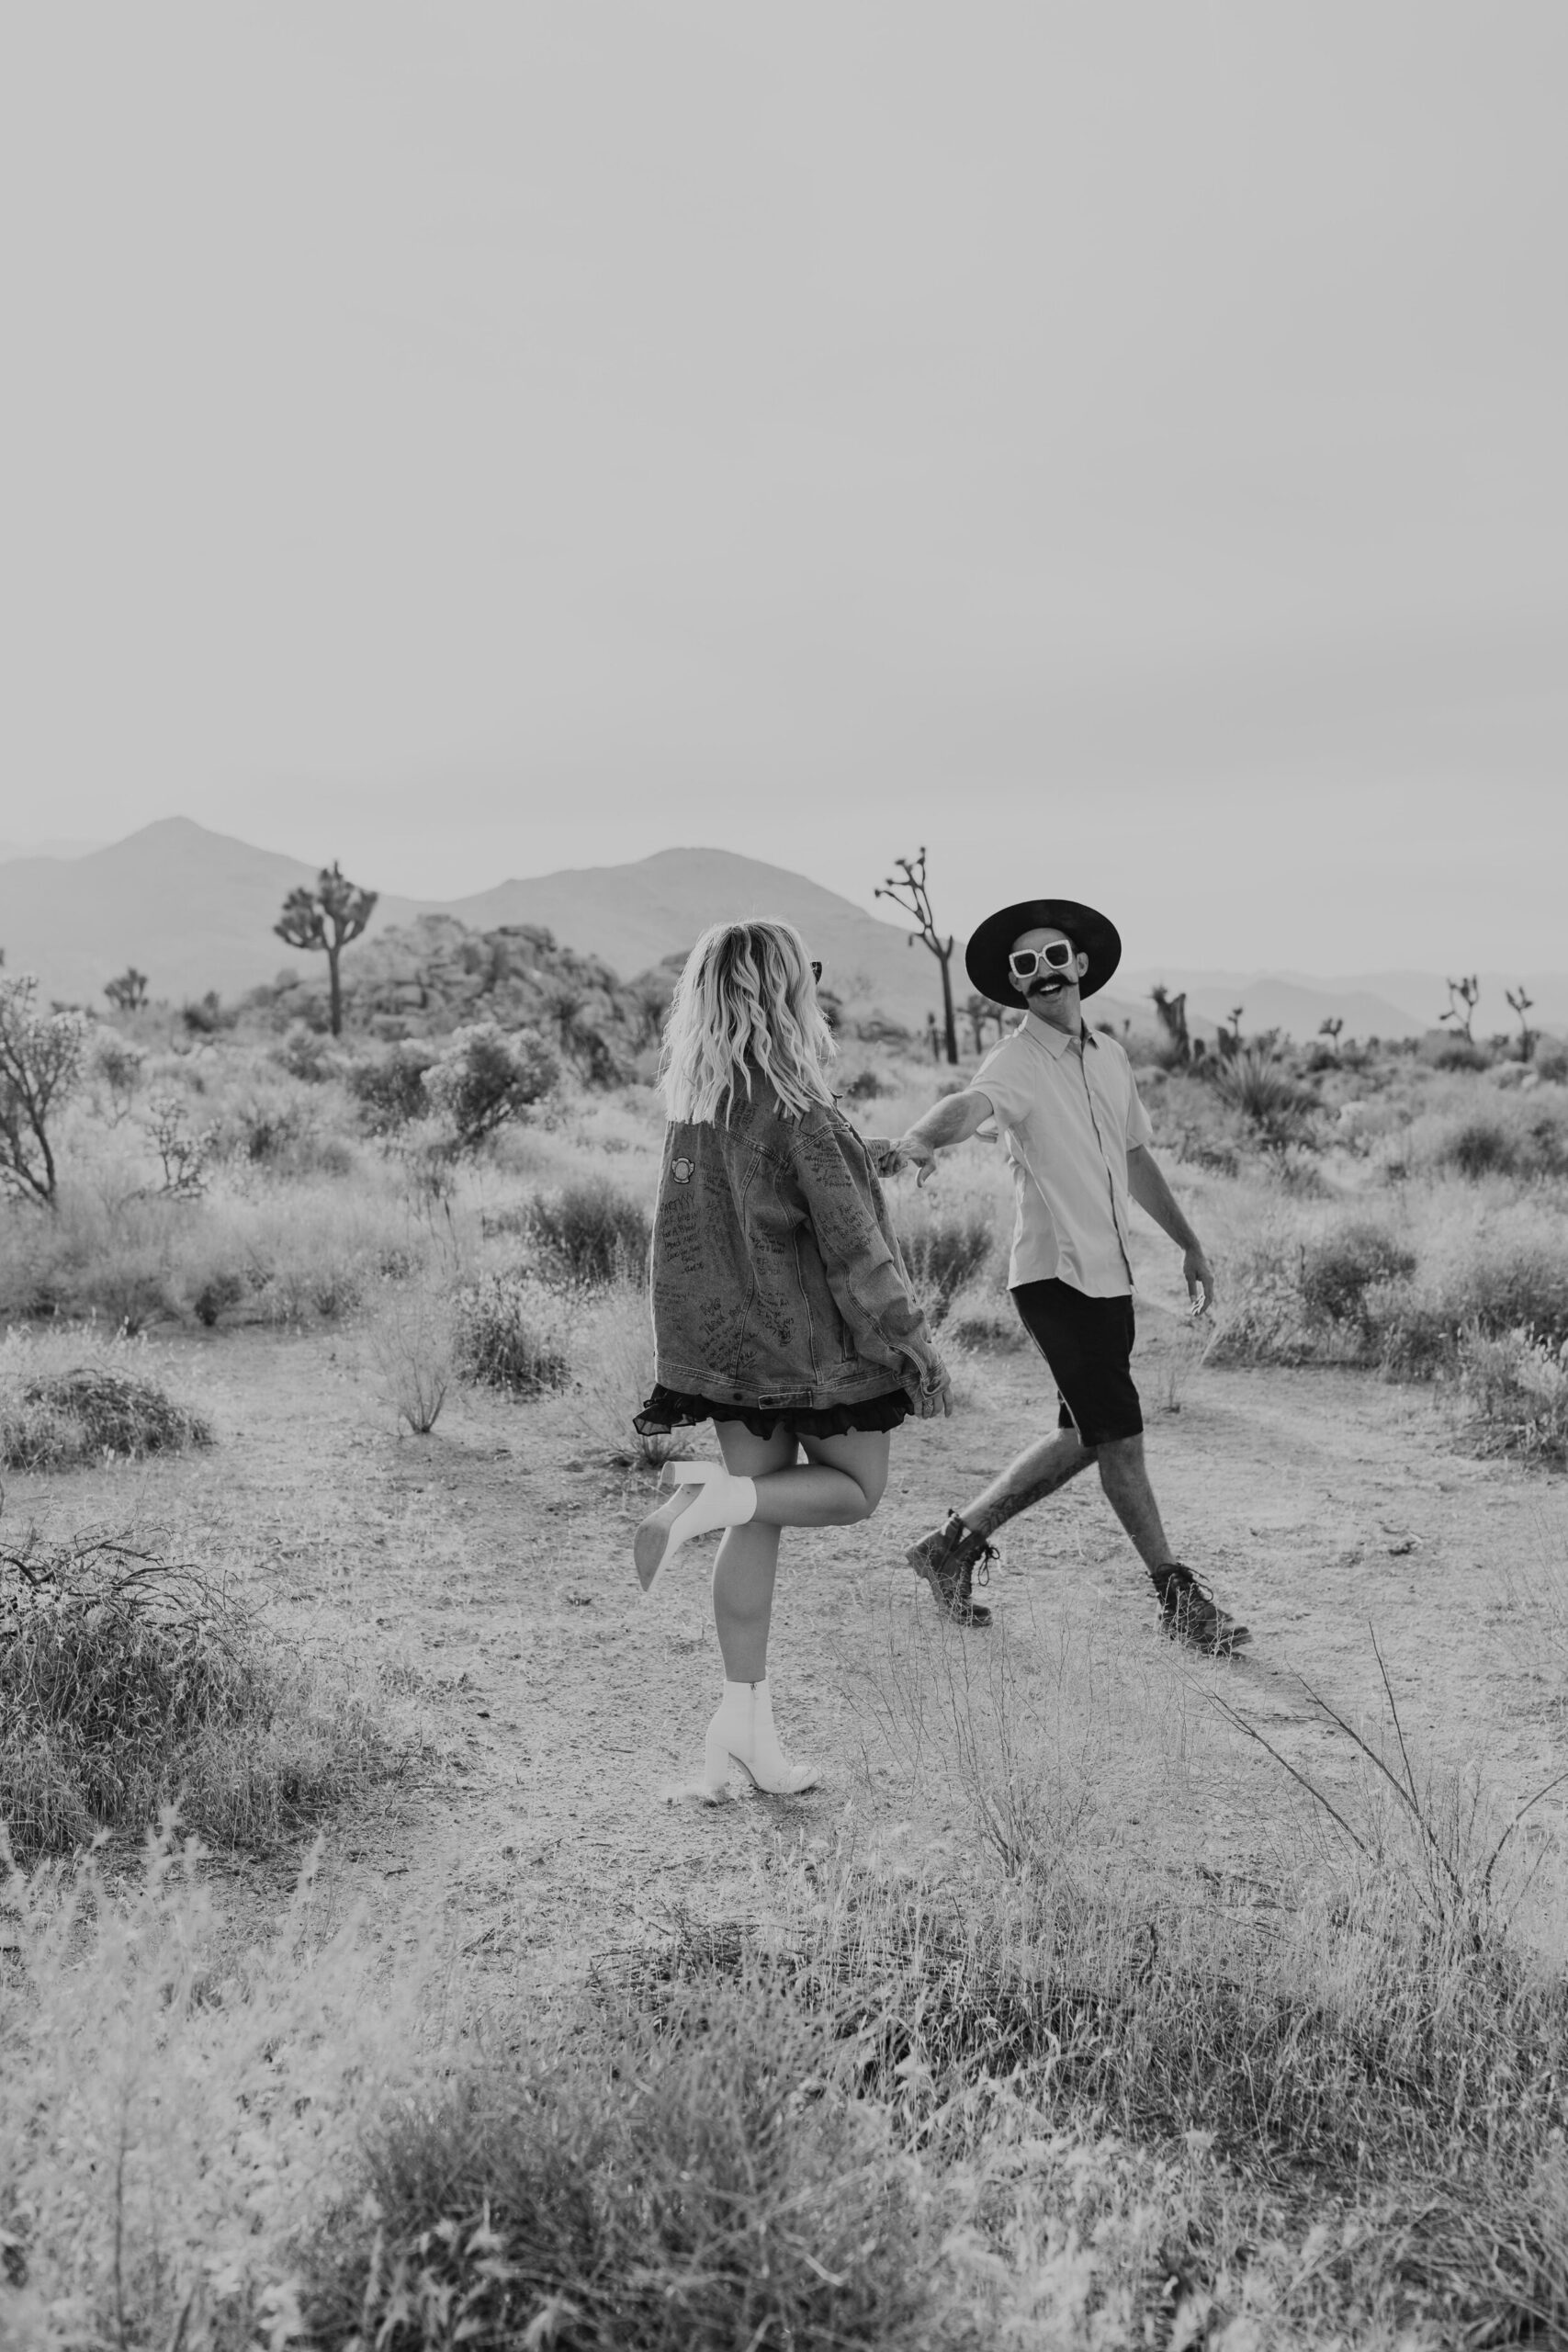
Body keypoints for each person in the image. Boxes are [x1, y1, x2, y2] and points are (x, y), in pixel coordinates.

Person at [633, 918, 953, 1797]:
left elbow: (715, 1229)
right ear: (783, 993)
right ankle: (711, 1494)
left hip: (727, 1359)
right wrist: (913, 1346)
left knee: (758, 1520)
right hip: (813, 1357)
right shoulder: (803, 1114)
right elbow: (858, 1251)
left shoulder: (695, 1112)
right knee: (855, 1494)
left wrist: (871, 1151)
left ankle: (741, 1731)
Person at [893, 895, 1249, 1656]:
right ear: (1016, 983)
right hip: (1054, 1279)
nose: (1043, 973)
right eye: (1026, 965)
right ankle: (1176, 1597)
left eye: (1055, 958)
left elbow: (1133, 1158)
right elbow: (969, 1104)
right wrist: (922, 1139)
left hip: (1109, 1276)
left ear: (1079, 966)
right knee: (1119, 1437)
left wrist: (1188, 1244)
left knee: (1082, 1436)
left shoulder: (1108, 1056)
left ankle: (950, 1545)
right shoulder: (1016, 1061)